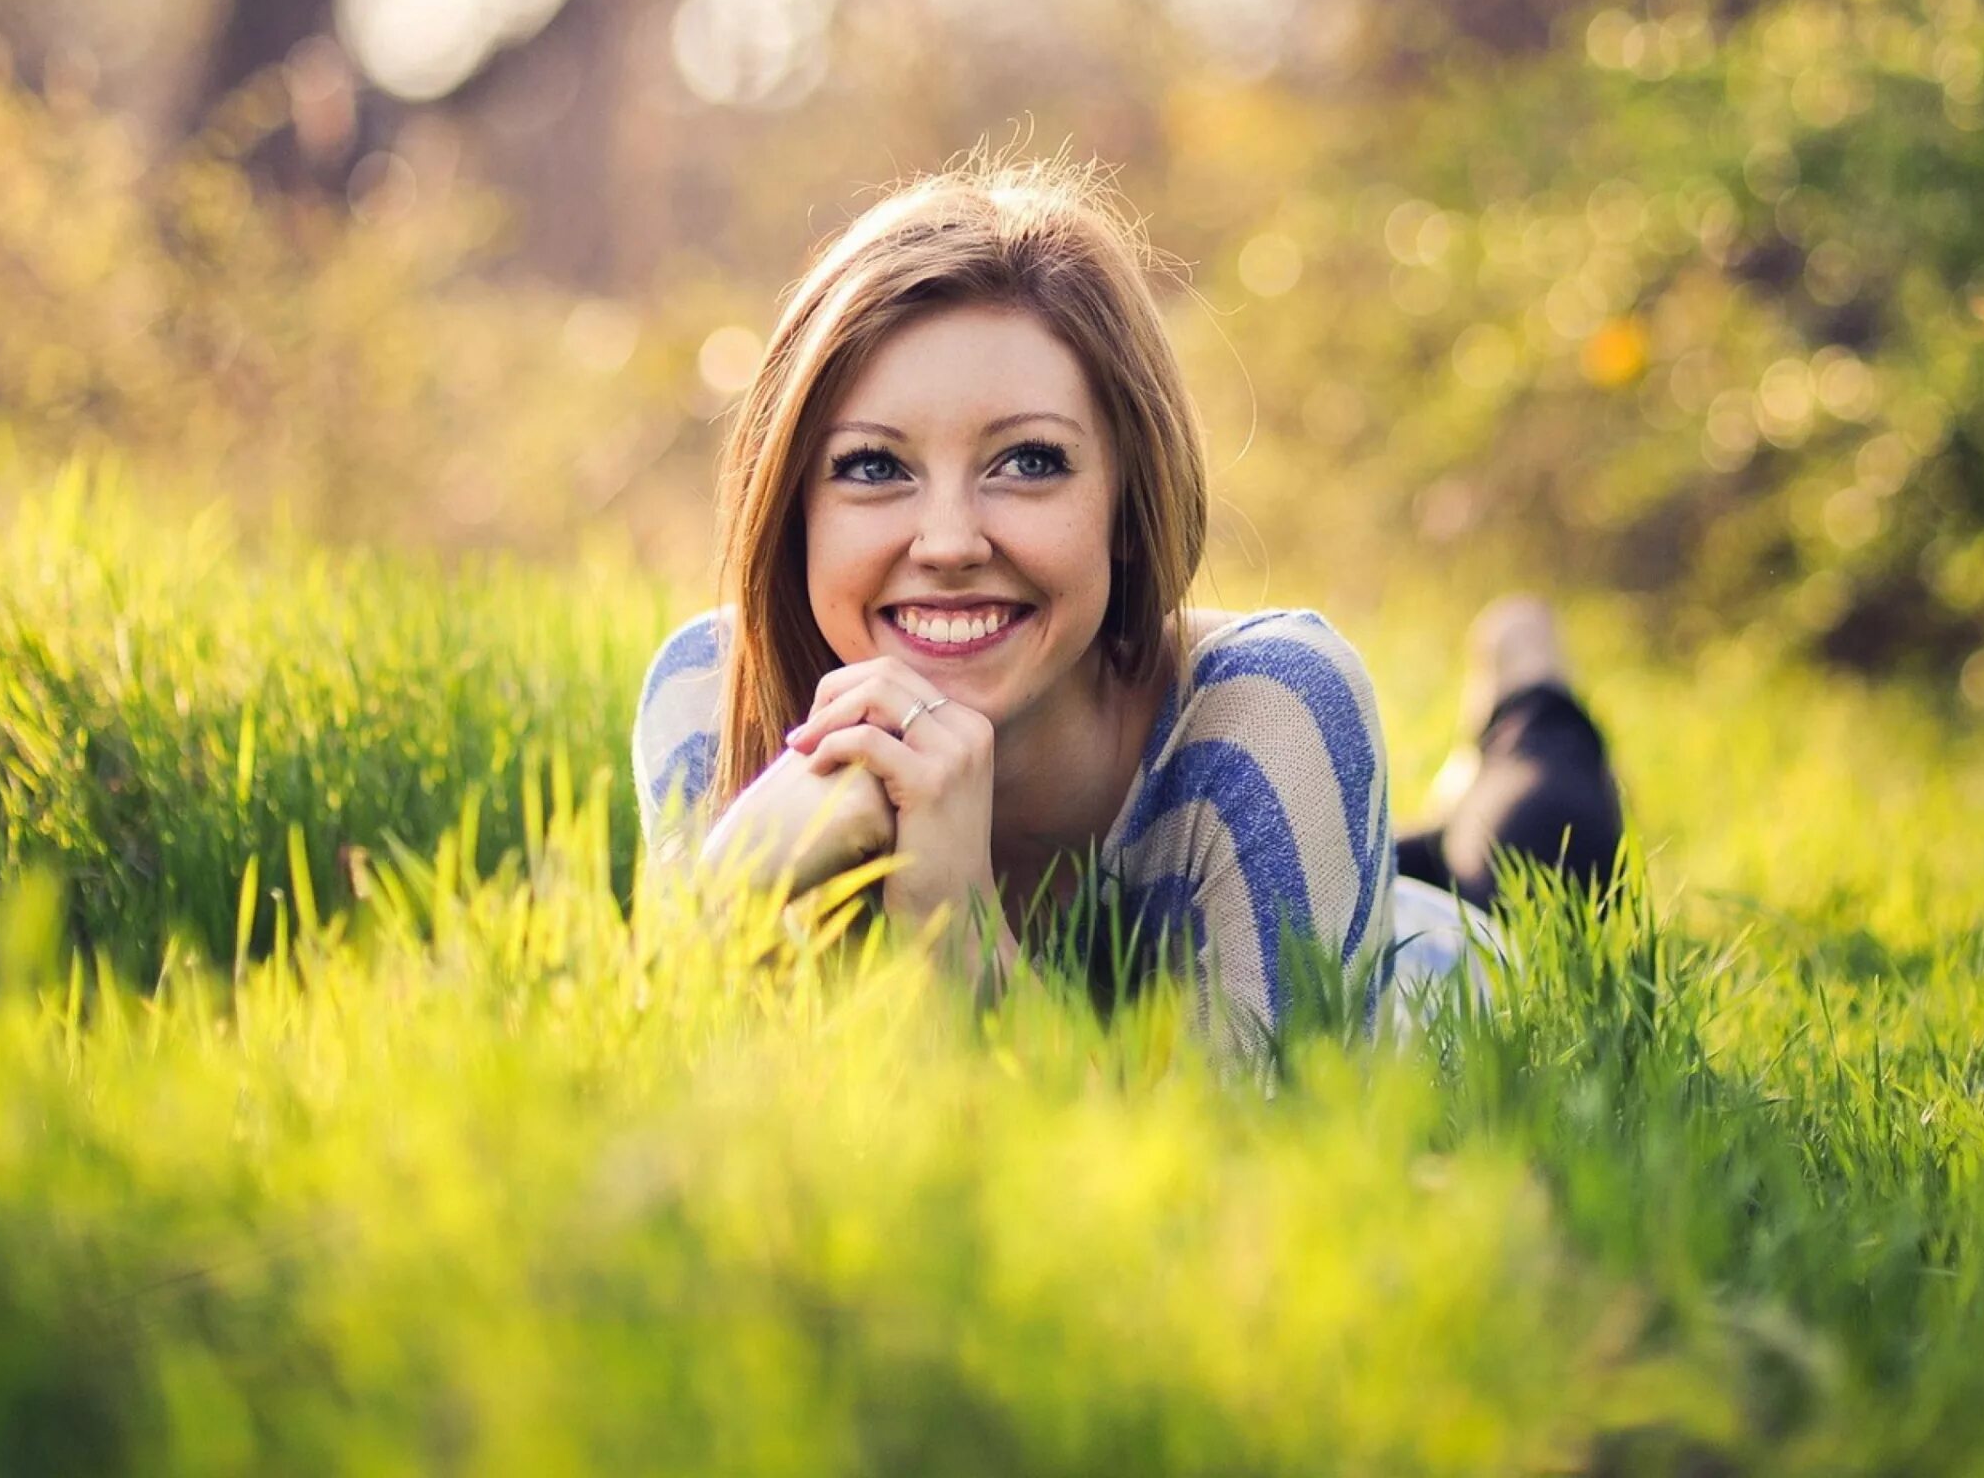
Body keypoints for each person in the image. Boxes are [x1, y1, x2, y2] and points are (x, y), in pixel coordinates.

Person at [627, 158, 1623, 1059]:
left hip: (1425, 958)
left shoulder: (1268, 715)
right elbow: (707, 1127)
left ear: (1126, 500)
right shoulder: (713, 695)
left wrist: (959, 934)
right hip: (1232, 896)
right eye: (874, 467)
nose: (947, 542)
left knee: (1535, 840)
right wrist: (751, 892)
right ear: (795, 509)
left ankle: (1523, 688)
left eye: (1028, 462)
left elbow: (1245, 1194)